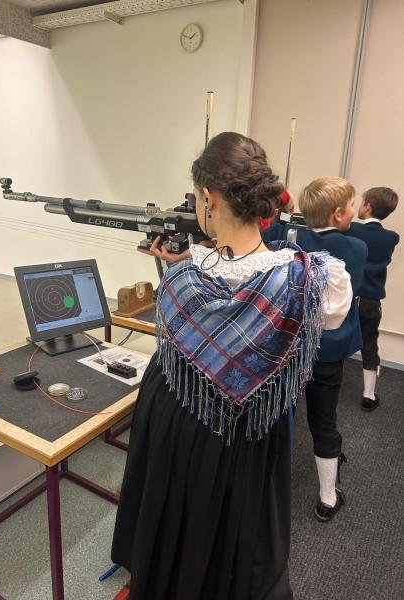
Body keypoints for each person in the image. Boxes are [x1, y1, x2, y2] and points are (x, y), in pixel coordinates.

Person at [111, 134, 352, 599]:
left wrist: (184, 259)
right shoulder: (305, 277)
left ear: (208, 197)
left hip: (172, 417)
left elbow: (204, 290)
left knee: (170, 521)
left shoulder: (183, 275)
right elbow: (332, 315)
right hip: (244, 432)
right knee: (233, 537)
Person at [290, 177, 367, 521]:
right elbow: (357, 287)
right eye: (351, 206)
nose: (354, 211)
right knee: (323, 418)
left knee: (284, 414)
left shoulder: (290, 239)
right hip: (328, 351)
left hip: (291, 347)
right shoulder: (357, 248)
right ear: (337, 214)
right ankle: (327, 498)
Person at [345, 187, 400, 411]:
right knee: (369, 345)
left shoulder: (351, 229)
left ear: (367, 206)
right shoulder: (392, 238)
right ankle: (369, 395)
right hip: (370, 302)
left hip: (347, 298)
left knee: (331, 337)